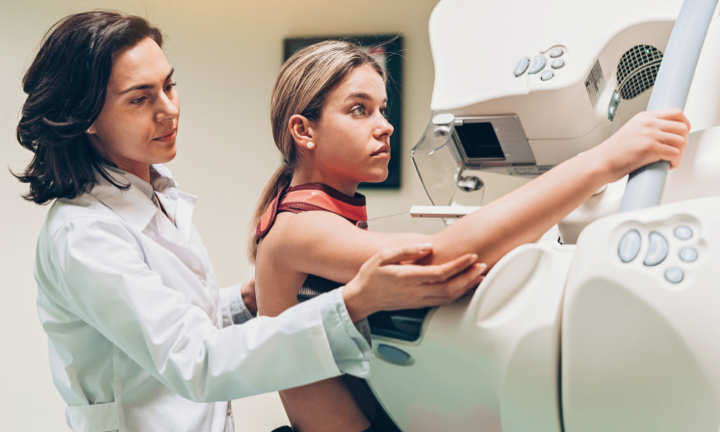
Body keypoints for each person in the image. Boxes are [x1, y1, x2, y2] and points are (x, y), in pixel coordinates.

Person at [14, 12, 486, 432]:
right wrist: (354, 302)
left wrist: (244, 299)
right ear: (85, 116)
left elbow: (166, 322)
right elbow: (195, 361)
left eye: (169, 85)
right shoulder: (83, 234)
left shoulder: (155, 195)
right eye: (140, 99)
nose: (169, 109)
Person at [251, 40, 691, 431]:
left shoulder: (315, 215)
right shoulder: (297, 226)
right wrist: (604, 160)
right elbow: (437, 257)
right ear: (303, 131)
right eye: (359, 109)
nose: (383, 124)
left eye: (383, 109)